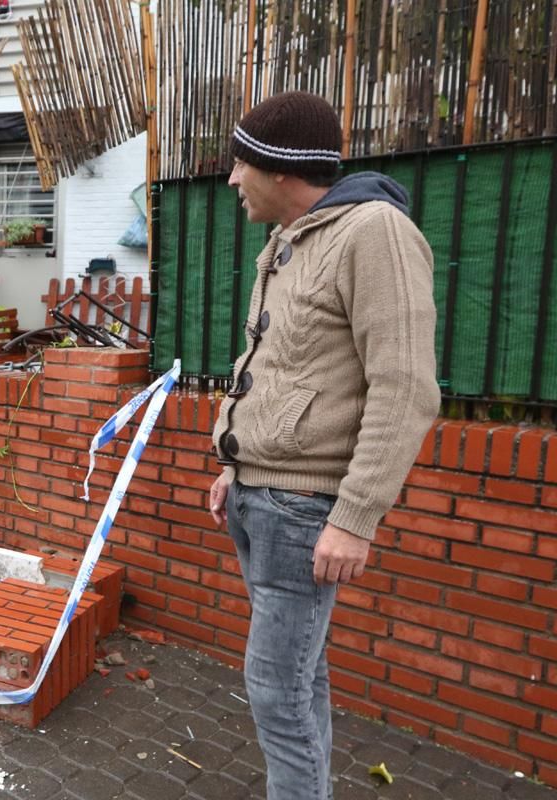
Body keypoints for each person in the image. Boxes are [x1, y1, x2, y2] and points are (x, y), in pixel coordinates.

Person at [206, 92, 440, 800]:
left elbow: (405, 388)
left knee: (275, 692)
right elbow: (273, 368)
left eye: (240, 163)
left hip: (306, 513)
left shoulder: (374, 233)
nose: (230, 179)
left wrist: (354, 516)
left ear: (279, 170)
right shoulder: (288, 241)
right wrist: (234, 463)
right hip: (258, 500)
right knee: (298, 678)